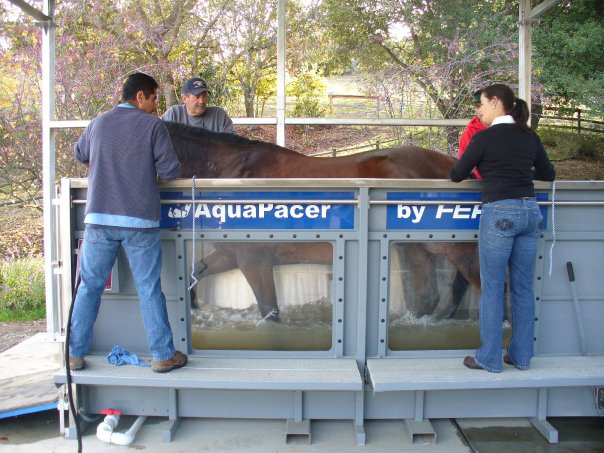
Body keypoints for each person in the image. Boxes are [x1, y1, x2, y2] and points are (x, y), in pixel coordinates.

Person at [69, 72, 188, 373]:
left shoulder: (97, 124)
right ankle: (162, 355)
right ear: (139, 97)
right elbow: (171, 170)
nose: (156, 105)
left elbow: (80, 153)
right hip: (140, 222)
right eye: (154, 98)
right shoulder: (152, 126)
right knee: (149, 288)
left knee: (88, 287)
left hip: (98, 220)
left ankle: (74, 354)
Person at [450, 83, 556, 373]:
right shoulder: (529, 137)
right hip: (530, 211)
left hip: (500, 212)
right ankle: (521, 357)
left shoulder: (485, 138)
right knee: (523, 288)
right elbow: (548, 173)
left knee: (493, 288)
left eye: (482, 104)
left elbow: (457, 174)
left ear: (496, 102)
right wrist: (521, 172)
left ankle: (489, 358)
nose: (479, 111)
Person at [161, 76, 236, 134]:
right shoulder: (174, 114)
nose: (202, 101)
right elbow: (156, 135)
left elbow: (232, 143)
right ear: (184, 99)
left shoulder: (218, 115)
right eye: (197, 96)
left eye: (204, 96)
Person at [458, 89, 487, 179]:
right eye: (477, 106)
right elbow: (464, 163)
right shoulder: (469, 132)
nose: (480, 110)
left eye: (483, 106)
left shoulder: (507, 128)